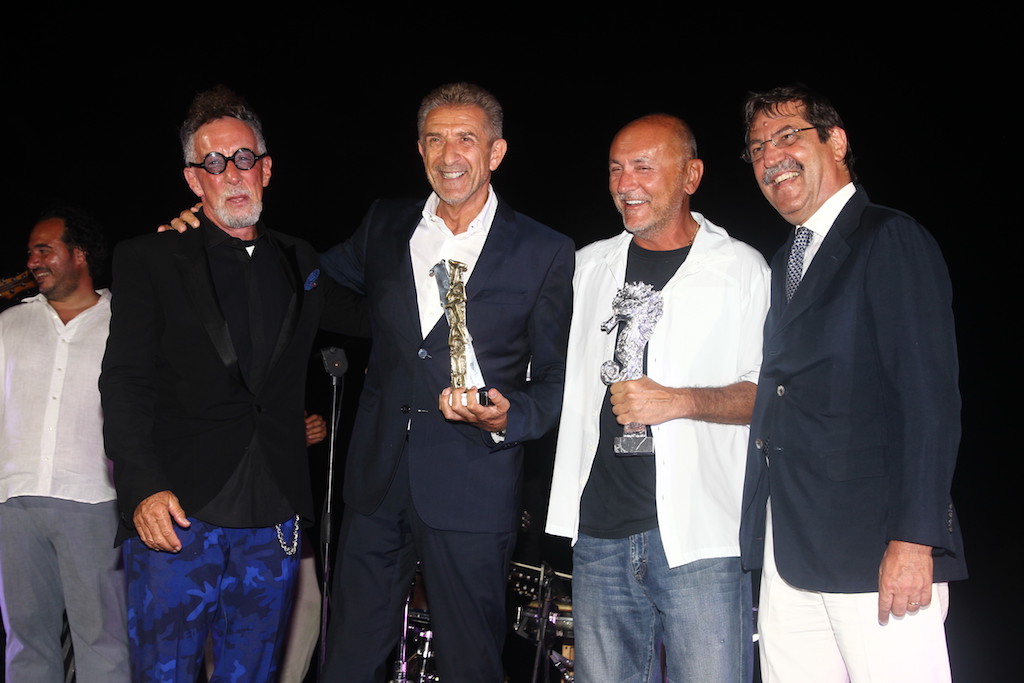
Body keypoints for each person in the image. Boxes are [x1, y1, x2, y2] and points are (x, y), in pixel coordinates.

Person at [99, 85, 365, 683]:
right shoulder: (151, 257)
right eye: (214, 163)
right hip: (177, 513)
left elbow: (379, 314)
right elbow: (124, 382)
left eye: (244, 158)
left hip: (273, 518)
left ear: (266, 169)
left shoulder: (301, 261)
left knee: (254, 674)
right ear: (194, 180)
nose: (232, 174)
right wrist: (142, 488)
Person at [318, 82, 574, 683]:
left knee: (470, 664)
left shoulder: (544, 249)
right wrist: (226, 243)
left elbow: (558, 378)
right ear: (419, 148)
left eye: (466, 139)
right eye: (435, 139)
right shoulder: (385, 223)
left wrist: (510, 416)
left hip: (472, 483)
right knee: (348, 658)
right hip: (377, 480)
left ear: (496, 152)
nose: (449, 154)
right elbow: (314, 284)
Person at [738, 84, 966, 682]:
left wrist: (914, 540)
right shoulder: (786, 260)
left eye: (788, 136)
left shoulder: (889, 237)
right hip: (790, 552)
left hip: (876, 551)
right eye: (758, 148)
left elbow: (928, 401)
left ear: (835, 142)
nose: (771, 157)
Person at [546, 114, 770, 682]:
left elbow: (770, 396)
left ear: (691, 175)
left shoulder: (741, 270)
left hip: (702, 538)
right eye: (616, 169)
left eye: (643, 167)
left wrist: (680, 401)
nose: (625, 184)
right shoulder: (585, 267)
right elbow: (541, 367)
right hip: (598, 536)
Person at [0, 205, 129, 682]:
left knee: (104, 641)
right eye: (30, 251)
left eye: (44, 250)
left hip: (95, 500)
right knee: (26, 644)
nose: (32, 261)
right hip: (13, 501)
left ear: (79, 254)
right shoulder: (9, 323)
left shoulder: (125, 324)